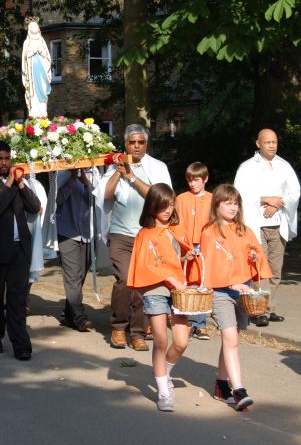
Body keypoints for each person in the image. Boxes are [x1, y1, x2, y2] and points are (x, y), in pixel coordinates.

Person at [97, 124, 172, 351]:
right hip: (120, 234)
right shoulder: (115, 166)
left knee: (142, 283)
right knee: (125, 280)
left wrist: (131, 178)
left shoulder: (158, 167)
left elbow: (160, 197)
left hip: (147, 235)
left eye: (141, 142)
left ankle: (138, 332)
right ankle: (119, 327)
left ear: (146, 144)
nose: (136, 146)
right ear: (126, 144)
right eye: (132, 142)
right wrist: (119, 173)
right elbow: (105, 195)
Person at [200, 184, 272, 411]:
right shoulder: (209, 232)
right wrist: (231, 283)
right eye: (227, 203)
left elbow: (259, 259)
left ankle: (221, 385)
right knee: (230, 338)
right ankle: (238, 389)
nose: (233, 207)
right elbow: (209, 267)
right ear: (217, 205)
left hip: (243, 291)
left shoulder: (244, 230)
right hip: (221, 292)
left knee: (231, 340)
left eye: (235, 203)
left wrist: (253, 257)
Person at [127, 183, 195, 411]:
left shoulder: (176, 229)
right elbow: (146, 266)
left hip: (178, 291)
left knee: (182, 341)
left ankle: (164, 371)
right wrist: (169, 277)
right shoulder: (145, 234)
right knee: (160, 339)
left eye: (171, 204)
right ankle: (163, 392)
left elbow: (175, 261)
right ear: (153, 206)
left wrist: (187, 258)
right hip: (156, 289)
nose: (168, 210)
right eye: (163, 205)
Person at [0, 141, 41, 360]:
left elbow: (34, 207)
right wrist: (10, 182)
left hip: (18, 249)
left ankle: (21, 345)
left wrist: (21, 185)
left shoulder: (18, 183)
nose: (4, 163)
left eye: (7, 158)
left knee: (17, 299)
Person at [234, 128, 300, 326]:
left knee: (275, 269)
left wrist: (277, 202)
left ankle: (270, 308)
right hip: (256, 225)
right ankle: (258, 309)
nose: (272, 145)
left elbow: (294, 192)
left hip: (278, 224)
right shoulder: (247, 168)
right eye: (268, 142)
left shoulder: (284, 166)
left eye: (274, 142)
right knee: (259, 269)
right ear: (258, 143)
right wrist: (264, 199)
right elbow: (239, 194)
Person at [175, 161, 212, 340]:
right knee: (186, 282)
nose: (192, 184)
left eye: (196, 180)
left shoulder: (212, 199)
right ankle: (187, 322)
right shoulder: (181, 198)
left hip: (204, 245)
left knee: (202, 282)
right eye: (190, 180)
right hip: (186, 245)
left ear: (205, 179)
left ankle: (200, 323)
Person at [55, 168, 95, 332]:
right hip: (67, 231)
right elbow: (57, 199)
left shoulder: (94, 173)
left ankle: (68, 314)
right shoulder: (62, 173)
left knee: (79, 276)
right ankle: (80, 318)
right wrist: (72, 178)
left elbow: (98, 199)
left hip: (86, 232)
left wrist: (86, 182)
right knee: (72, 277)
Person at [21, 21, 52, 118]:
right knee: (33, 92)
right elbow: (24, 58)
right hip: (31, 72)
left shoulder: (42, 41)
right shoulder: (27, 42)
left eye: (35, 25)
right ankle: (34, 113)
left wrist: (41, 51)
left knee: (42, 89)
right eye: (31, 26)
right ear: (29, 29)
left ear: (38, 28)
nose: (34, 27)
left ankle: (43, 112)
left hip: (42, 71)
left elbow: (47, 57)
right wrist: (32, 52)